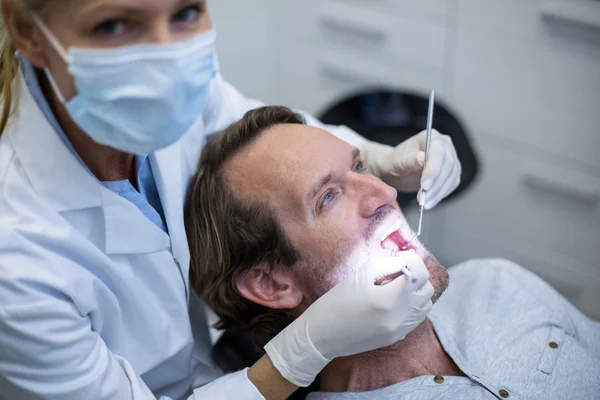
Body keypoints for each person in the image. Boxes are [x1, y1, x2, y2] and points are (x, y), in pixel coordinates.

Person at [0, 1, 463, 399]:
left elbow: (274, 150)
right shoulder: (16, 258)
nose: (167, 54)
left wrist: (378, 159)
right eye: (113, 25)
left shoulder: (169, 85)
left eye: (185, 12)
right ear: (26, 30)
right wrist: (304, 351)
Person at [184, 106, 600, 400]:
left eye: (361, 167)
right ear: (272, 283)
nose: (385, 193)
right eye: (329, 197)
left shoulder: (495, 281)